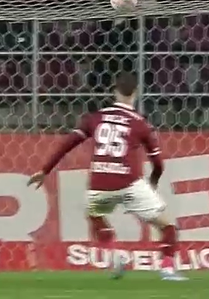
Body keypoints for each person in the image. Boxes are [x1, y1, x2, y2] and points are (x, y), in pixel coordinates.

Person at [27, 73, 186, 281]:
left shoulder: (96, 118)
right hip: (130, 184)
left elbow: (68, 143)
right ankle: (167, 270)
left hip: (99, 184)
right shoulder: (141, 124)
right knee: (168, 225)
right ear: (135, 93)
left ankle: (114, 254)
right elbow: (158, 164)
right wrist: (153, 183)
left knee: (93, 214)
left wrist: (45, 170)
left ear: (114, 92)